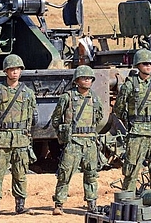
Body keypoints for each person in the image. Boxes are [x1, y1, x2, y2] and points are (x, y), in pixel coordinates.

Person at [0, 54, 38, 219]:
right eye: (11, 69)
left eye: (17, 69)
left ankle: (20, 205)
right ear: (6, 71)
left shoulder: (28, 93)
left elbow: (32, 118)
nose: (15, 72)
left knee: (20, 173)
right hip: (2, 140)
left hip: (21, 139)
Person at [51, 65, 103, 215]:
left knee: (91, 174)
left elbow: (98, 117)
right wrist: (63, 134)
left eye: (89, 78)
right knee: (65, 173)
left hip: (90, 142)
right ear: (77, 80)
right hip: (73, 142)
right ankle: (59, 204)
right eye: (84, 78)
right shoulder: (67, 97)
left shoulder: (94, 97)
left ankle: (92, 204)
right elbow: (56, 119)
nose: (87, 80)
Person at [114, 49, 151, 191]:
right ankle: (128, 201)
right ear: (138, 65)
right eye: (145, 64)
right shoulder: (130, 85)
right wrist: (130, 121)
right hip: (137, 133)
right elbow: (118, 108)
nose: (148, 66)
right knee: (132, 169)